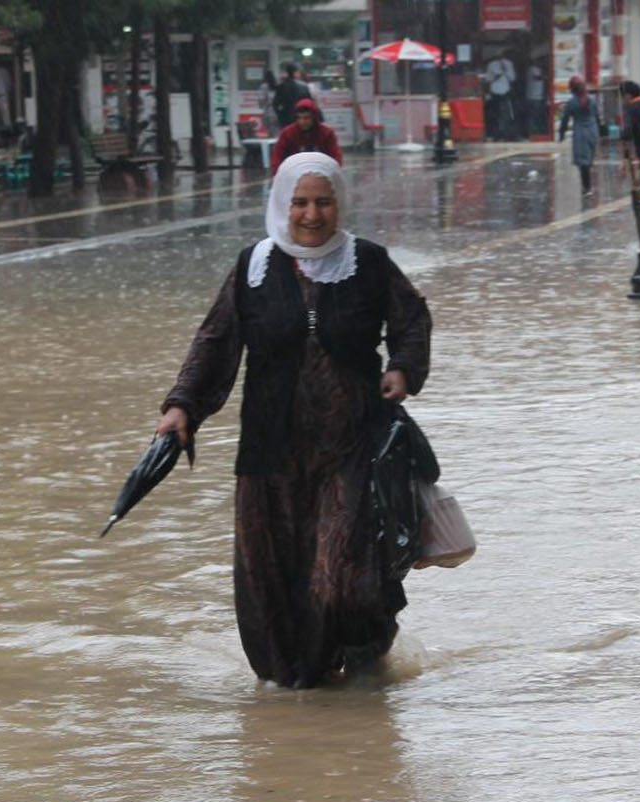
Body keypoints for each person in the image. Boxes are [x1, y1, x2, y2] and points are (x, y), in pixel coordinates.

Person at [155, 153, 433, 688]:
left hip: (351, 449)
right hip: (269, 452)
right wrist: (182, 406)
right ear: (282, 204)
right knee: (272, 581)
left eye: (323, 202)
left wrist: (401, 369)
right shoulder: (252, 268)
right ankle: (300, 689)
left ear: (340, 204)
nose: (312, 214)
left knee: (344, 579)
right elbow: (215, 343)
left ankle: (367, 654)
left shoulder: (369, 263)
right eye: (300, 202)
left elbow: (412, 319)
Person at [270, 99, 343, 174]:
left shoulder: (327, 133)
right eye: (299, 118)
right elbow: (277, 156)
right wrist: (277, 174)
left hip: (320, 174)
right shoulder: (288, 133)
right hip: (294, 173)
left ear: (314, 117)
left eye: (306, 118)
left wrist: (333, 173)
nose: (302, 122)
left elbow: (336, 157)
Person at [557, 75, 600, 195]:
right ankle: (587, 186)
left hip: (581, 132)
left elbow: (565, 120)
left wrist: (561, 134)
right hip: (592, 130)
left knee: (583, 162)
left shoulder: (571, 103)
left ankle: (587, 187)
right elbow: (597, 116)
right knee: (588, 159)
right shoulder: (592, 100)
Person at [485, 50, 516, 140]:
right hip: (495, 92)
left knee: (506, 114)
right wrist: (495, 77)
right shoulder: (491, 65)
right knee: (495, 115)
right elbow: (488, 79)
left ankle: (506, 134)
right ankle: (496, 135)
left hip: (505, 92)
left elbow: (513, 78)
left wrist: (505, 70)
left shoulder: (509, 64)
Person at [272, 63, 313, 128]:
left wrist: (280, 115)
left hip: (286, 118)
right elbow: (310, 103)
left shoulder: (281, 86)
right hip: (301, 117)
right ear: (295, 72)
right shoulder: (303, 86)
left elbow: (275, 104)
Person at [256, 70, 279, 136]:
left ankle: (273, 145)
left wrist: (261, 105)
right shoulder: (277, 85)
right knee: (277, 131)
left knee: (271, 131)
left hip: (269, 112)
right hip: (277, 112)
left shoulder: (264, 86)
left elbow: (261, 100)